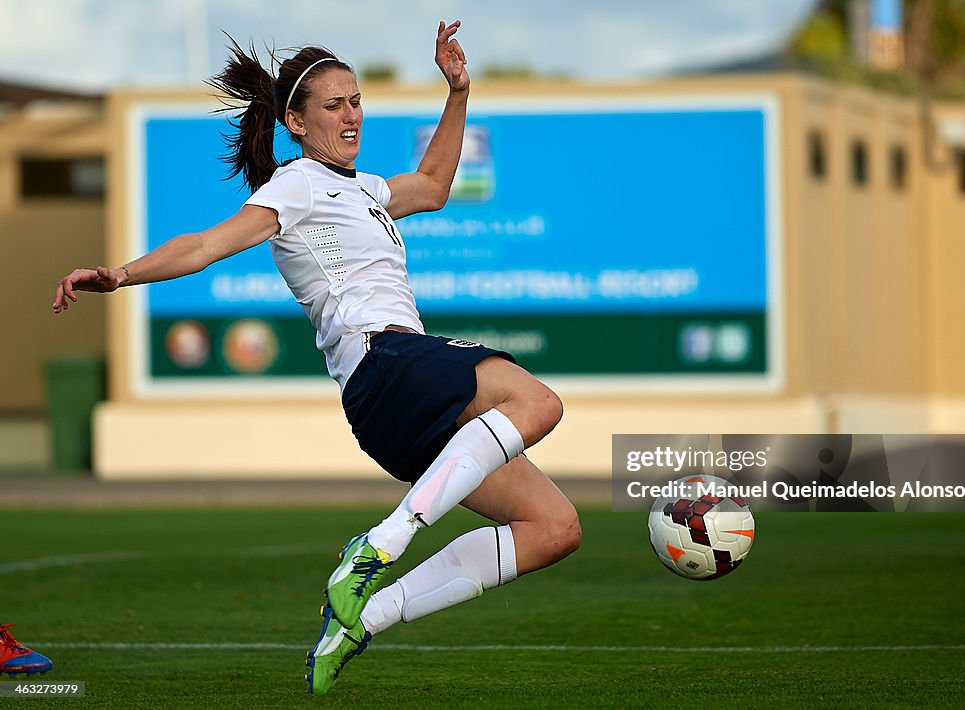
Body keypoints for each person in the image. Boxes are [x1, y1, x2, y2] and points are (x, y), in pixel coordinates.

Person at [52, 20, 581, 696]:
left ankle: (364, 618)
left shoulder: (367, 191)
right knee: (537, 401)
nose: (351, 114)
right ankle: (380, 545)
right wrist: (120, 275)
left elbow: (435, 185)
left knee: (554, 527)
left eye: (356, 100)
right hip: (385, 362)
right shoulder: (296, 185)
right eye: (334, 105)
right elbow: (207, 245)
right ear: (297, 123)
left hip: (391, 403)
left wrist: (458, 92)